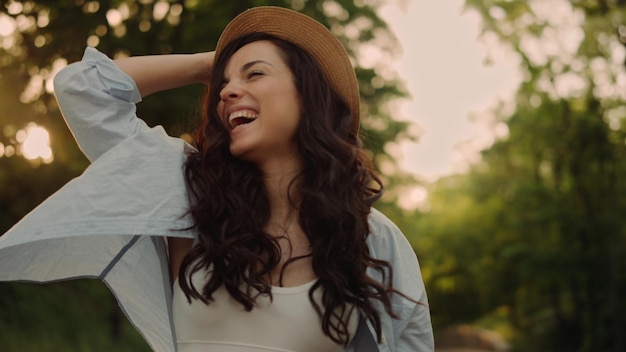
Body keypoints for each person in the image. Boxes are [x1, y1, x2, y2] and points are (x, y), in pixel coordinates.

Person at [0, 6, 433, 352]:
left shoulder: (370, 237)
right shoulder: (187, 191)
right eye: (222, 82)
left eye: (255, 73)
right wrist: (204, 64)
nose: (225, 91)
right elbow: (83, 90)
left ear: (308, 93)